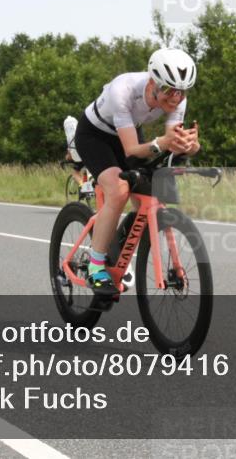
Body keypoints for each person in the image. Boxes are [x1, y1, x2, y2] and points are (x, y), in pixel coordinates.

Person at [73, 48, 200, 294]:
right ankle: (95, 266)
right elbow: (131, 150)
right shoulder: (123, 90)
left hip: (130, 130)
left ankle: (118, 246)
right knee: (118, 190)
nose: (175, 99)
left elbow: (172, 146)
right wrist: (162, 143)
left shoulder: (176, 99)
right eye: (169, 90)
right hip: (95, 135)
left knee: (150, 190)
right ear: (153, 81)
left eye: (182, 92)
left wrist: (191, 146)